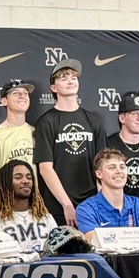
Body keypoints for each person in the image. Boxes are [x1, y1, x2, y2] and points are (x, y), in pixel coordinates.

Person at [34, 58, 107, 227]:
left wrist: (103, 201)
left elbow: (101, 166)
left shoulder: (93, 120)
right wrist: (66, 204)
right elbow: (45, 168)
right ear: (53, 87)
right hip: (59, 204)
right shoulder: (46, 121)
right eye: (63, 77)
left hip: (91, 201)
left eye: (74, 77)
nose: (70, 80)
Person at [76, 148, 139, 244]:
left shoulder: (137, 205)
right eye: (111, 168)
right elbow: (92, 239)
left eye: (122, 167)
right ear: (99, 174)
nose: (119, 171)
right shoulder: (86, 208)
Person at [0, 79, 35, 214]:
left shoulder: (36, 133)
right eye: (16, 93)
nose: (22, 96)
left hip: (34, 207)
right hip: (8, 208)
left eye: (25, 93)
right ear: (4, 101)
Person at [0, 159, 56, 252]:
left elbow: (56, 250)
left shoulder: (46, 217)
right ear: (5, 183)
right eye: (18, 178)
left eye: (29, 177)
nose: (25, 181)